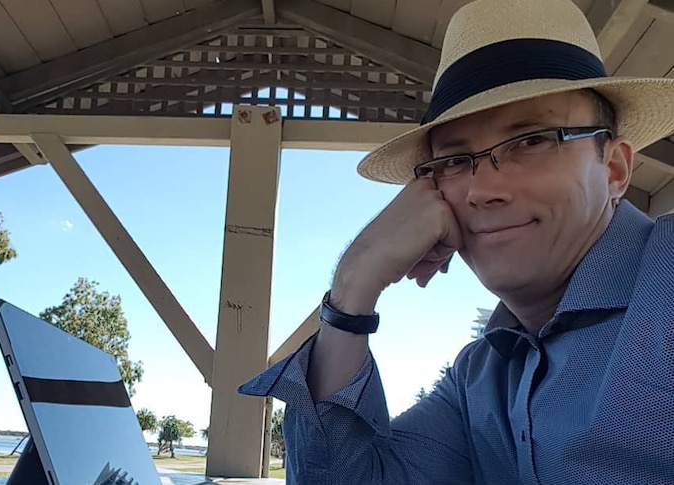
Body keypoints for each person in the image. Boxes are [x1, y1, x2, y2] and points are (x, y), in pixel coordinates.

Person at [239, 0, 674, 483]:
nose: (483, 190)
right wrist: (352, 286)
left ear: (614, 169)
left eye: (531, 140)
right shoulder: (477, 382)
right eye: (452, 160)